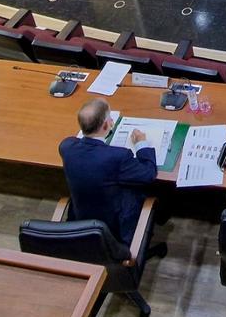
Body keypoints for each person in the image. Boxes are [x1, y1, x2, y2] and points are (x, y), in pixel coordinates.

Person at [58, 99, 157, 244]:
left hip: (79, 219)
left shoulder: (66, 147)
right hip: (115, 228)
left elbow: (77, 143)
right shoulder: (118, 157)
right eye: (110, 118)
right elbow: (148, 173)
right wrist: (141, 143)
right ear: (106, 124)